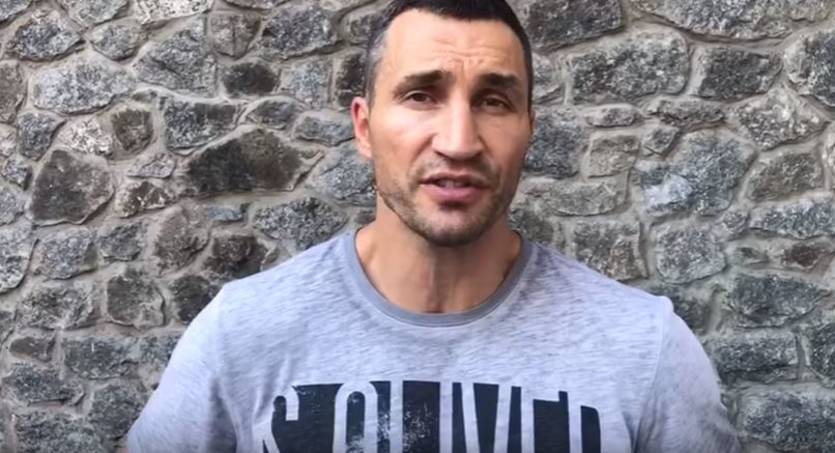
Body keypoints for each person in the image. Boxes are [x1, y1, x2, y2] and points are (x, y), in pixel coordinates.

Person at [128, 0, 741, 451]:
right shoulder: (242, 335)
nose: (459, 141)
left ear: (529, 128)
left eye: (494, 101)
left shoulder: (645, 350)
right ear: (364, 126)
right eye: (421, 95)